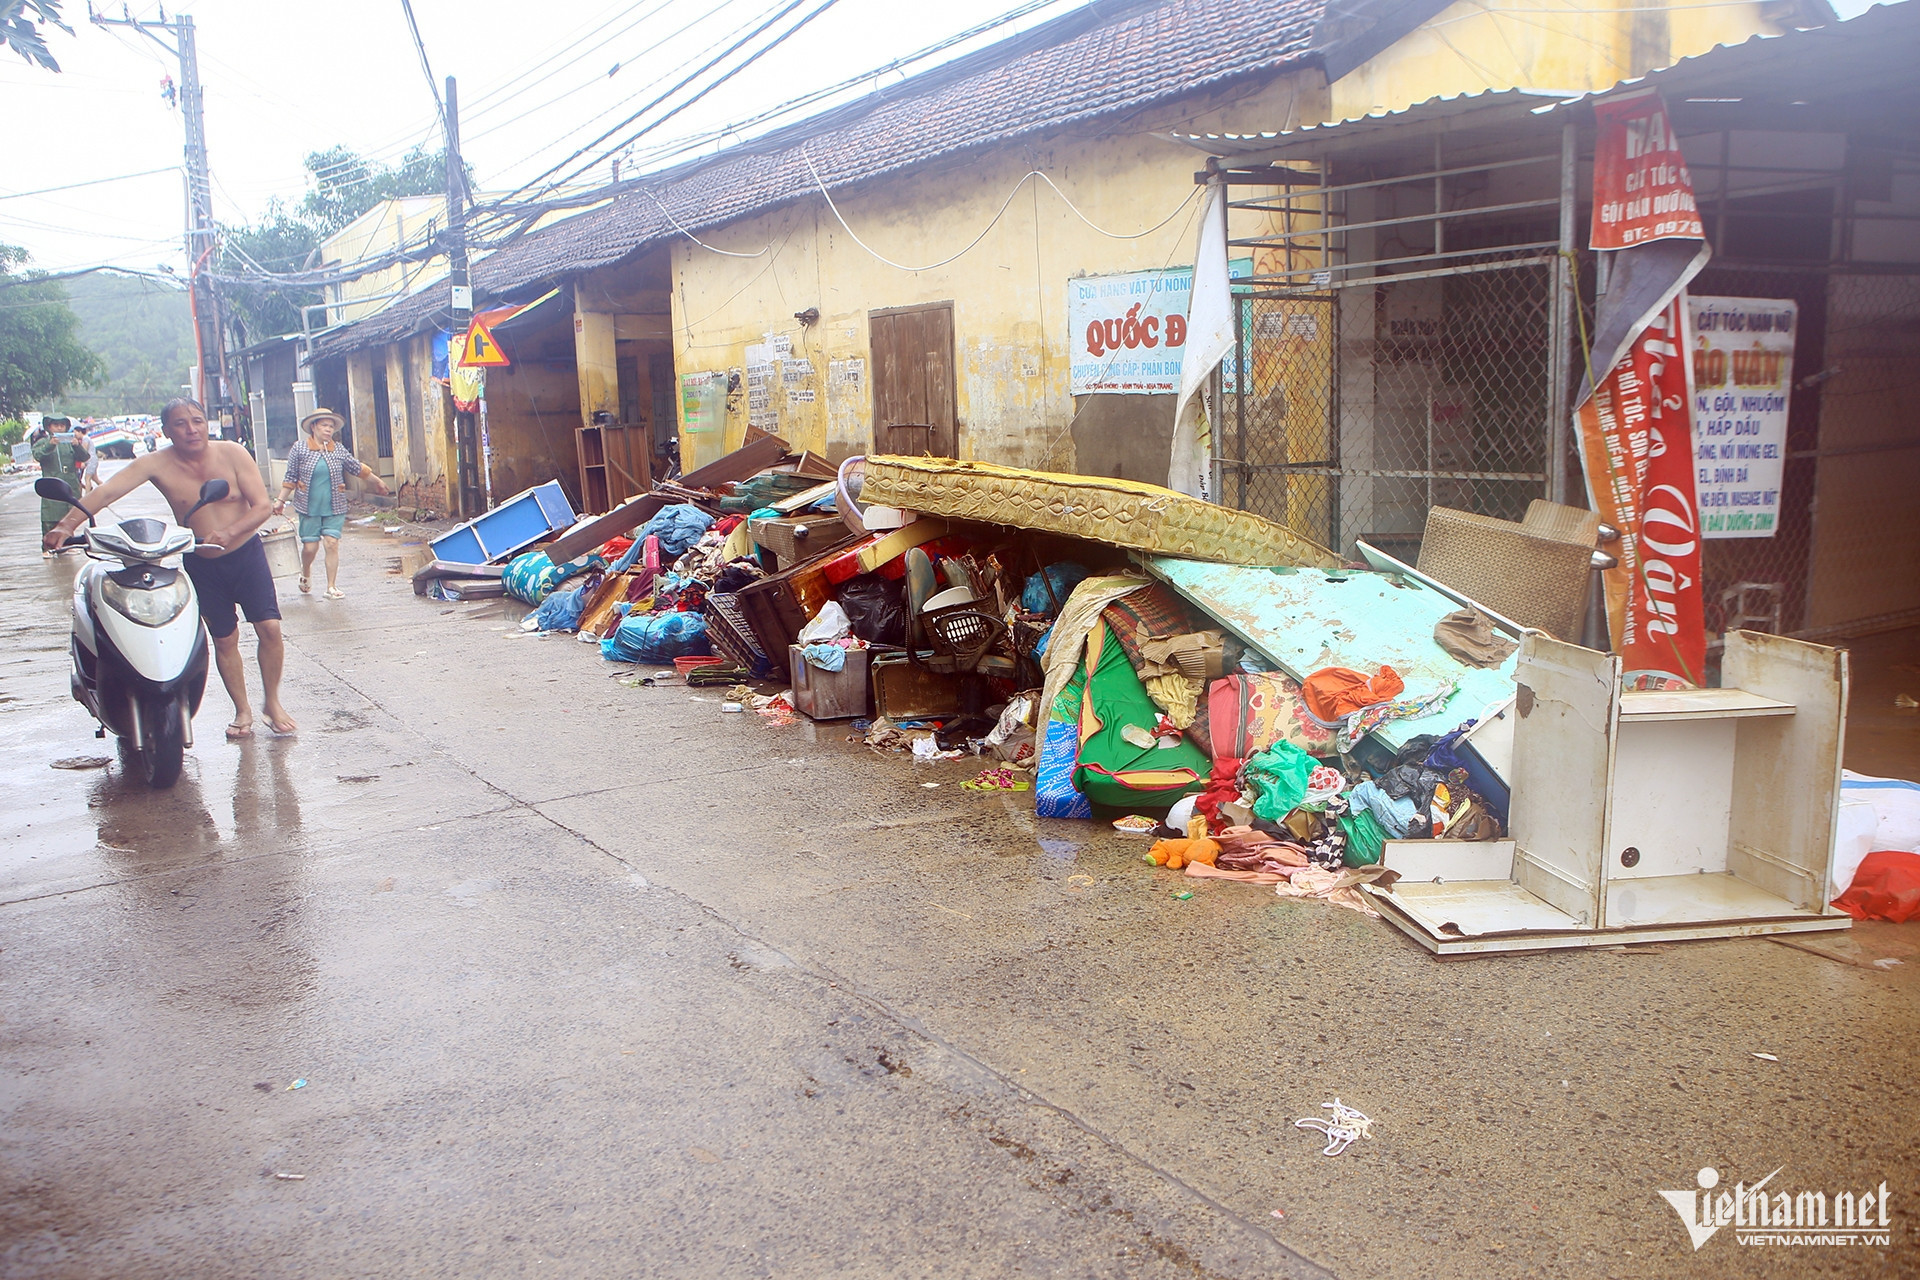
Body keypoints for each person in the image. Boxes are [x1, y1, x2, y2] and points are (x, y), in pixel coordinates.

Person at [44, 397, 295, 740]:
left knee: (269, 628)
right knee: (224, 639)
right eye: (181, 423)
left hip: (245, 555)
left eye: (197, 420)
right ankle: (242, 710)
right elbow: (106, 493)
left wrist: (229, 533)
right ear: (166, 431)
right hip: (201, 562)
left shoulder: (233, 454)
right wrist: (65, 525)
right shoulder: (156, 464)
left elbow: (262, 505)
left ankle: (273, 702)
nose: (191, 429)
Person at [273, 408, 388, 599]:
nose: (328, 429)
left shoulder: (338, 450)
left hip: (334, 506)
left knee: (332, 543)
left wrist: (378, 482)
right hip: (309, 507)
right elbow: (291, 477)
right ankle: (306, 572)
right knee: (310, 548)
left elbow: (357, 468)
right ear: (313, 427)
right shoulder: (300, 449)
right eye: (324, 425)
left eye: (331, 426)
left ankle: (331, 586)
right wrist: (280, 501)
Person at [33, 421, 90, 557]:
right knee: (50, 516)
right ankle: (47, 547)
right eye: (56, 425)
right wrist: (50, 445)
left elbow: (85, 458)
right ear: (49, 427)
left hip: (69, 482)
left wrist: (77, 446)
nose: (59, 428)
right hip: (51, 482)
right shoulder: (43, 442)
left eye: (62, 425)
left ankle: (67, 545)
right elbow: (38, 456)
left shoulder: (70, 442)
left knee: (69, 515)